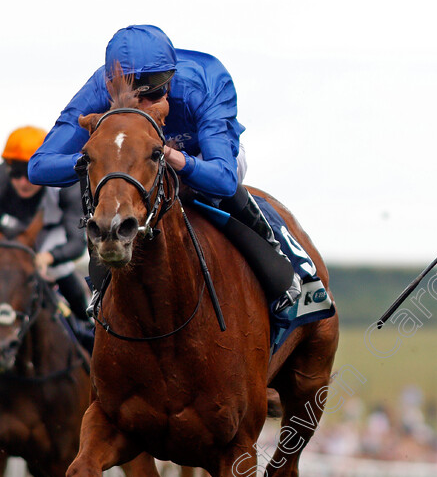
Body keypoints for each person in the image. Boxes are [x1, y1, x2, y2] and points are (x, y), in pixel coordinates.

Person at [28, 24, 300, 319]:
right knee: (103, 178)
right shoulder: (97, 89)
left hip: (201, 157)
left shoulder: (204, 82)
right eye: (137, 97)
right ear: (112, 87)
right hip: (133, 167)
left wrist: (171, 156)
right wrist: (96, 161)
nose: (150, 104)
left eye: (158, 92)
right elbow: (39, 166)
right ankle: (100, 287)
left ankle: (282, 267)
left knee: (218, 189)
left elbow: (223, 177)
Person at [0, 126, 92, 358]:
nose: (23, 181)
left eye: (30, 172)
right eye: (17, 173)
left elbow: (77, 241)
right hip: (13, 241)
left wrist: (49, 257)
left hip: (53, 240)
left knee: (66, 278)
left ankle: (87, 330)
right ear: (7, 168)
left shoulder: (65, 181)